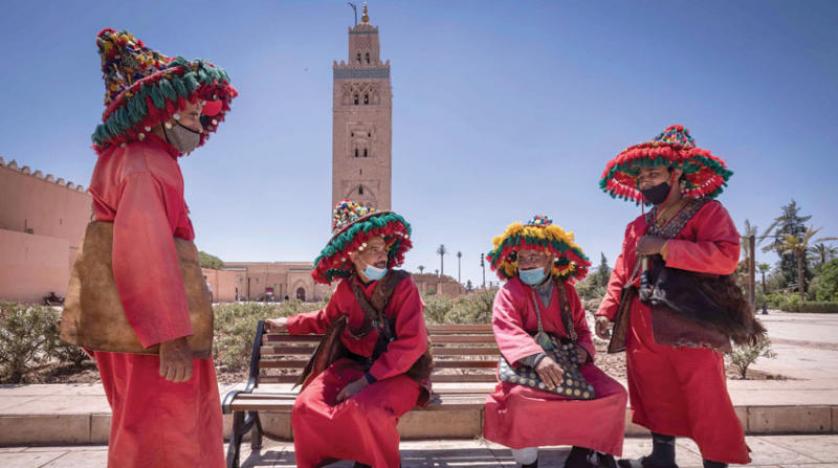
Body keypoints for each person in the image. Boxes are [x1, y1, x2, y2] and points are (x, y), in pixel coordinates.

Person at [84, 28, 236, 467]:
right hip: (153, 334)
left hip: (129, 328)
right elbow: (144, 253)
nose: (198, 122)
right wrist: (170, 336)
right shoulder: (147, 165)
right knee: (168, 432)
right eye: (188, 112)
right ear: (156, 112)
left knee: (137, 422)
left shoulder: (122, 159)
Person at [595, 125, 751, 468]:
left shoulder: (708, 212)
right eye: (642, 177)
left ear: (677, 172)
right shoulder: (635, 227)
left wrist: (667, 247)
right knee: (654, 391)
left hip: (692, 324)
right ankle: (661, 458)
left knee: (706, 396)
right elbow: (622, 271)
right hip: (642, 325)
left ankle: (716, 461)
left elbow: (725, 257)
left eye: (654, 173)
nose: (646, 182)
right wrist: (607, 310)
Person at [267, 200, 432, 468]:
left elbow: (412, 344)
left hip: (400, 374)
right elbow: (325, 319)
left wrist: (366, 381)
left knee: (366, 410)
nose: (383, 255)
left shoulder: (403, 287)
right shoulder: (345, 289)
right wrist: (289, 322)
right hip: (351, 368)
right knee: (305, 408)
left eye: (384, 248)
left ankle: (372, 461)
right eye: (374, 248)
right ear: (353, 255)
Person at [483, 215, 627, 468]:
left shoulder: (567, 292)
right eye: (522, 257)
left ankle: (582, 455)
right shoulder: (509, 292)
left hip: (570, 362)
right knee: (520, 400)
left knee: (614, 394)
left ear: (550, 258)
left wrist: (584, 349)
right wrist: (538, 358)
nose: (527, 263)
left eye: (535, 256)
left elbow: (582, 329)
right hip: (525, 364)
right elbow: (507, 329)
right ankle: (528, 463)